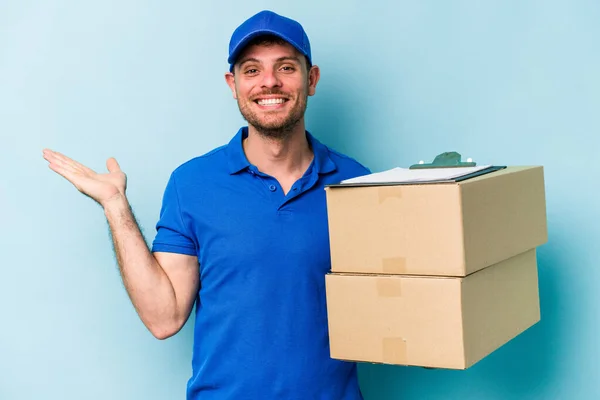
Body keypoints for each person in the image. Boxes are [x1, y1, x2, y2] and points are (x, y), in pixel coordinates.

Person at [43, 10, 370, 400]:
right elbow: (164, 317)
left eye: (285, 67)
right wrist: (115, 206)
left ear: (311, 79)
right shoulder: (192, 184)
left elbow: (394, 305)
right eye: (252, 70)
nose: (269, 82)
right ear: (233, 84)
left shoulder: (360, 185)